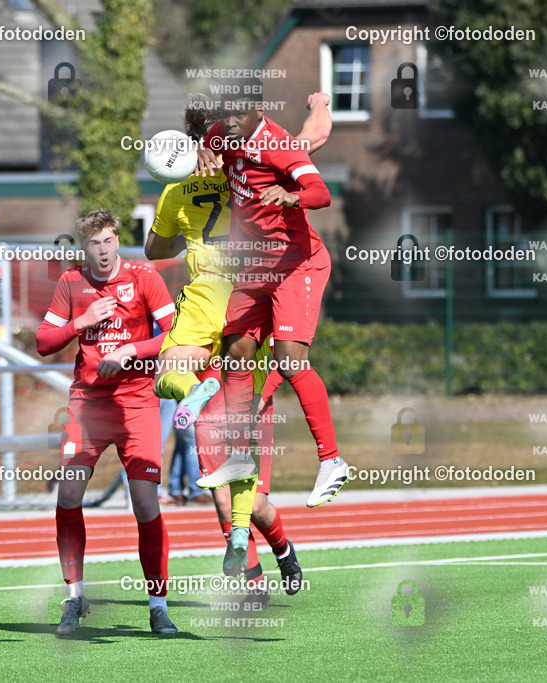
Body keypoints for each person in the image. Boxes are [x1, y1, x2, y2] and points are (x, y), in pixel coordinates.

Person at [147, 93, 328, 576]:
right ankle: (251, 580)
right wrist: (319, 104)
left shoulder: (189, 186)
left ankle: (283, 552)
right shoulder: (242, 170)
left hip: (231, 309)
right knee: (234, 495)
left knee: (253, 498)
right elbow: (312, 139)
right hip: (231, 308)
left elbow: (154, 249)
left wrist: (173, 182)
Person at [192, 78, 349, 570]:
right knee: (235, 348)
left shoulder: (277, 145)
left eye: (237, 116)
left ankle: (331, 459)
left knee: (288, 360)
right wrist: (201, 148)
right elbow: (314, 131)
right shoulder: (225, 133)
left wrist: (291, 194)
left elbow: (321, 191)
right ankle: (241, 452)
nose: (229, 125)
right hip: (257, 267)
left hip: (296, 264)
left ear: (257, 109)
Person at [37, 209, 178, 636]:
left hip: (137, 404)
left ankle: (158, 606)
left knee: (145, 504)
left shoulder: (144, 278)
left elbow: (176, 334)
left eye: (108, 240)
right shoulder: (70, 283)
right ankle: (74, 597)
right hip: (87, 406)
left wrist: (132, 351)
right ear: (84, 246)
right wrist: (81, 322)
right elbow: (44, 342)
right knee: (68, 496)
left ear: (118, 239)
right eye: (93, 243)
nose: (102, 250)